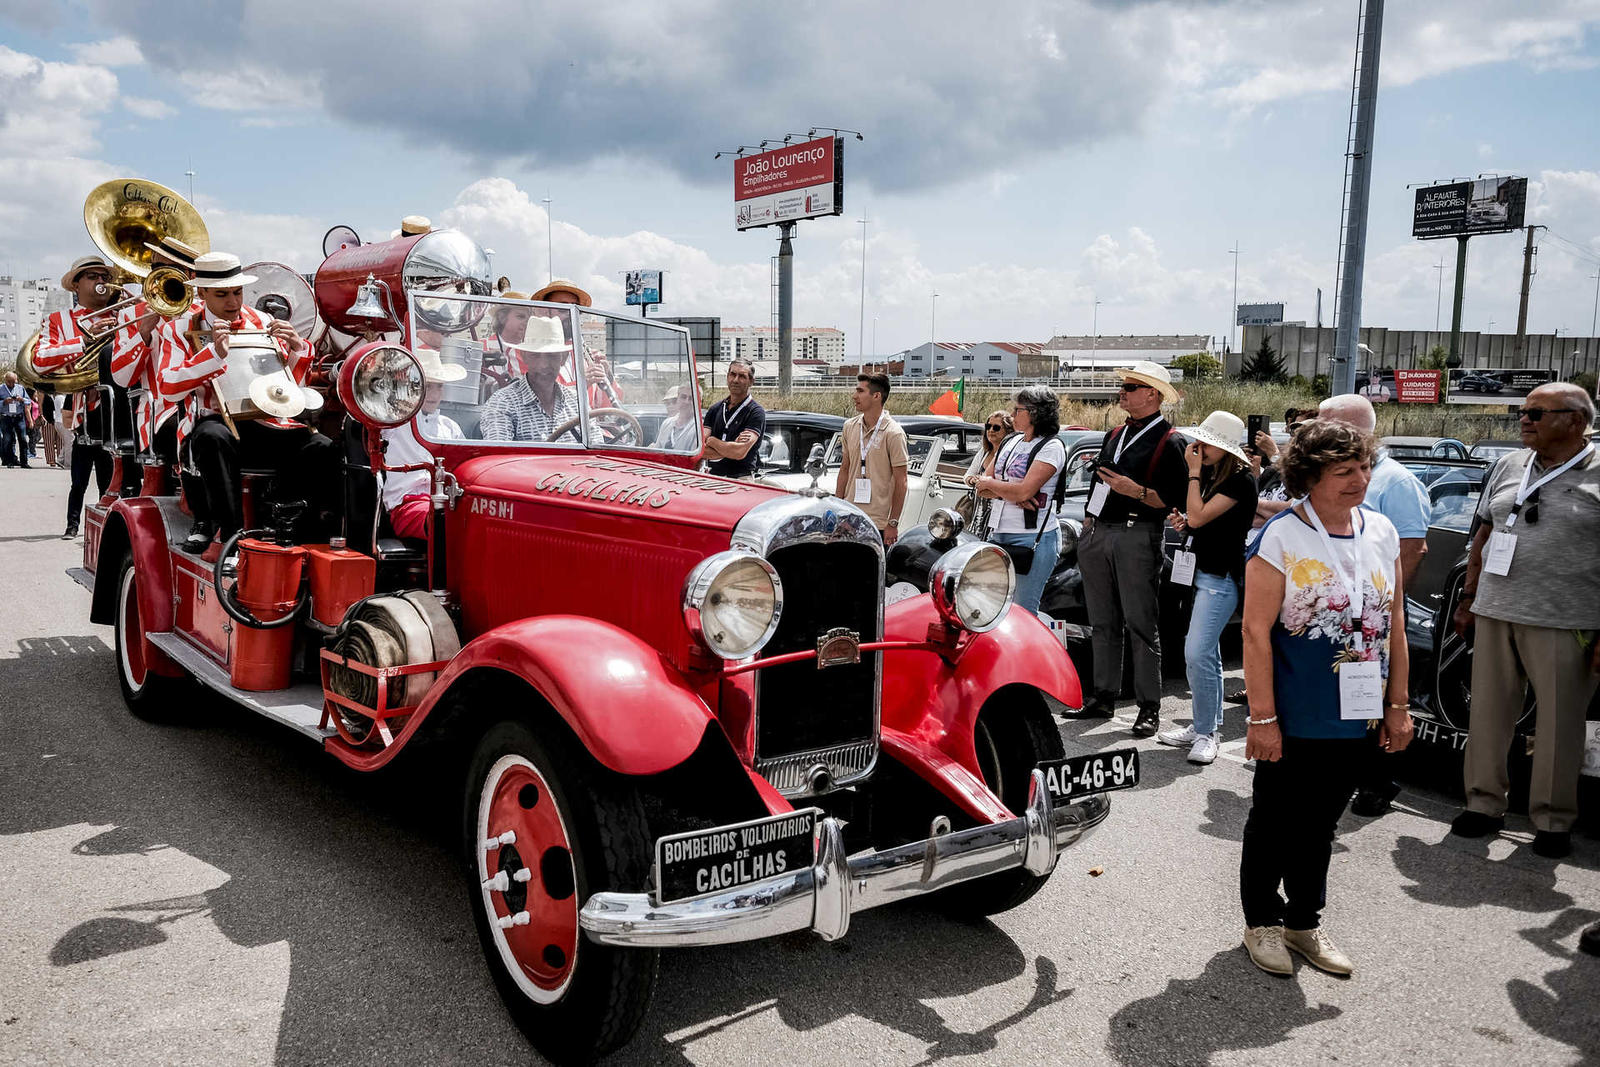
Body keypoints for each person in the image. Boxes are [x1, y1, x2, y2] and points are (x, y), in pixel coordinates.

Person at [1238, 418, 1412, 977]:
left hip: (1358, 714)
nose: (1359, 478)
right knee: (1275, 820)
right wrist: (1262, 718)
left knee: (1321, 825)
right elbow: (1254, 632)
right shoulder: (1282, 536)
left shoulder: (1381, 531)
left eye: (1364, 466)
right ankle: (1262, 921)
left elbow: (1396, 624)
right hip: (1294, 712)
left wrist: (1398, 704)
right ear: (1311, 476)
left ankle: (1304, 922)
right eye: (1344, 470)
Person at [1450, 384, 1600, 859]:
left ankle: (1553, 820)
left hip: (1563, 618)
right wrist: (1468, 597)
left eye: (1536, 412)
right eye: (1523, 411)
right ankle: (1483, 804)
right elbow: (1484, 535)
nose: (1525, 419)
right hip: (1495, 610)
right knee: (1488, 713)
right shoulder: (1510, 465)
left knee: (1559, 724)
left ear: (1576, 421)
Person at [154, 252, 331, 552]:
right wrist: (212, 357)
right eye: (222, 294)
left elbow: (292, 386)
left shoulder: (263, 321)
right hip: (213, 422)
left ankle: (290, 525)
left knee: (322, 447)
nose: (233, 302)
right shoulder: (177, 329)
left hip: (265, 419)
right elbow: (168, 387)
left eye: (237, 292)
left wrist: (298, 348)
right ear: (202, 293)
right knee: (212, 436)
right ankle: (231, 536)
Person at [1315, 394, 1432, 816]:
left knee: (1375, 700)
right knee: (1348, 701)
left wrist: (1386, 612)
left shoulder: (1395, 482)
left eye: (1326, 424)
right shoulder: (1327, 474)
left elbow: (1413, 548)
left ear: (1356, 429)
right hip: (1336, 617)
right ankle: (1352, 775)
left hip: (1374, 619)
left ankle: (1380, 783)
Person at [1076, 361, 1189, 735]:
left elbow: (1174, 502)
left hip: (1137, 533)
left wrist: (1134, 491)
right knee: (1102, 621)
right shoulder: (1114, 434)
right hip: (1101, 532)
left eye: (1130, 387)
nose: (1122, 392)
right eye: (1123, 386)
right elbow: (1100, 484)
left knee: (1141, 623)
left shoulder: (1171, 441)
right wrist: (1090, 524)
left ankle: (1148, 706)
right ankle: (1102, 695)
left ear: (1152, 395)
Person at [1158, 411, 1258, 765]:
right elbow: (1201, 522)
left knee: (1197, 653)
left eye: (1206, 443)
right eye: (1199, 441)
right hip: (1203, 573)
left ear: (1224, 448)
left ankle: (1207, 733)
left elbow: (1199, 515)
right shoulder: (1217, 476)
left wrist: (1193, 474)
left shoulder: (1240, 480)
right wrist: (1186, 526)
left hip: (1221, 577)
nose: (1197, 448)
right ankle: (1204, 726)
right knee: (1205, 654)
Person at [110, 235, 203, 475]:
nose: (159, 276)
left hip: (205, 406)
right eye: (155, 269)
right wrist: (143, 333)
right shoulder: (132, 314)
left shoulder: (204, 312)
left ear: (190, 275)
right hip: (158, 413)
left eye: (168, 270)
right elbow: (122, 379)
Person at [39, 255, 117, 534]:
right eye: (93, 277)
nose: (101, 282)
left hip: (115, 411)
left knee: (112, 482)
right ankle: (72, 526)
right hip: (83, 411)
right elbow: (41, 359)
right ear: (76, 285)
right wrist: (82, 341)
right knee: (79, 480)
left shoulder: (122, 313)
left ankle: (107, 529)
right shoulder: (59, 320)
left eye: (104, 277)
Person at [975, 386, 1065, 614]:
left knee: (1023, 612)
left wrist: (1011, 491)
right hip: (999, 533)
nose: (1012, 415)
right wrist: (1012, 493)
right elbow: (982, 485)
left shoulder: (1051, 446)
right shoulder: (1010, 441)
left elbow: (1021, 491)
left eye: (1018, 410)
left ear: (1035, 413)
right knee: (992, 609)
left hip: (1033, 538)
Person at [382, 349, 465, 538]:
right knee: (442, 521)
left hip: (448, 503)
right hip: (408, 505)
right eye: (426, 386)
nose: (434, 394)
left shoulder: (450, 427)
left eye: (439, 386)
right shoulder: (393, 422)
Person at [478, 315, 581, 442]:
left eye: (551, 356)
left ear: (563, 358)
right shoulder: (503, 402)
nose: (543, 365)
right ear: (524, 357)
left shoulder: (577, 402)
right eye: (535, 356)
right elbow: (499, 453)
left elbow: (597, 449)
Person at [835, 372, 909, 544]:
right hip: (849, 516)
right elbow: (844, 468)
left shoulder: (894, 433)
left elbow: (902, 481)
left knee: (873, 569)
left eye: (860, 391)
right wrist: (838, 508)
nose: (854, 396)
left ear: (876, 396)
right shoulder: (850, 426)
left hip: (879, 521)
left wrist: (893, 522)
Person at [702, 360, 766, 479]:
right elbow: (701, 449)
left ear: (751, 381)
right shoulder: (714, 409)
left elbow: (739, 452)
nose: (735, 380)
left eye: (742, 376)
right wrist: (729, 449)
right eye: (732, 374)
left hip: (741, 479)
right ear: (727, 377)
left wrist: (712, 441)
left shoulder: (756, 412)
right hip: (712, 478)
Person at [962, 410, 1012, 538]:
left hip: (1000, 512)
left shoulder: (1011, 454)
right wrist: (972, 480)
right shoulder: (983, 453)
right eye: (988, 426)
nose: (991, 430)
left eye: (996, 427)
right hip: (978, 511)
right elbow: (967, 476)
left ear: (1008, 431)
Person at [652, 384, 702, 451]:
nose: (686, 402)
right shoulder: (667, 423)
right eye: (683, 397)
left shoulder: (699, 428)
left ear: (699, 403)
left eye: (691, 398)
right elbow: (657, 451)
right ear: (678, 399)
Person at [0, 371, 29, 468]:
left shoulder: (20, 388)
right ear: (5, 380)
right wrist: (4, 401)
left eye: (13, 382)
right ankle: (10, 461)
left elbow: (28, 400)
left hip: (19, 417)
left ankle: (24, 461)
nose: (12, 384)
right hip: (6, 417)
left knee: (23, 439)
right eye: (9, 382)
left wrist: (22, 400)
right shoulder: (1, 389)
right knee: (7, 440)